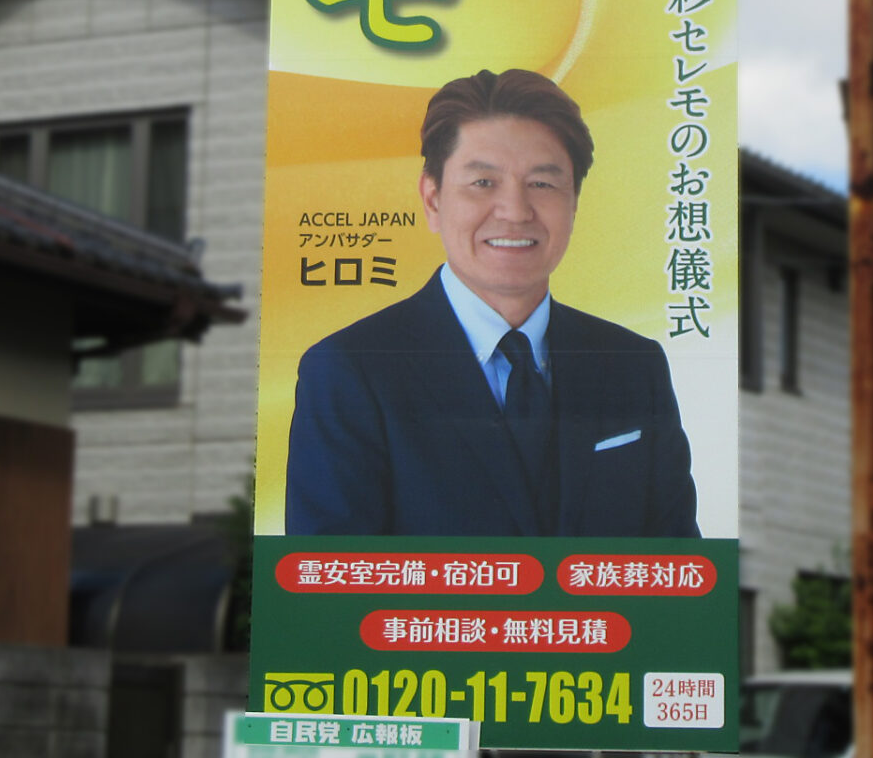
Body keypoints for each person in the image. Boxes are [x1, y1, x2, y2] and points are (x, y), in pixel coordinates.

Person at [285, 68, 699, 537]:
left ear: (575, 201)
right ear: (433, 198)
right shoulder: (348, 371)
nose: (515, 211)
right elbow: (328, 590)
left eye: (542, 184)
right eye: (483, 183)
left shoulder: (633, 366)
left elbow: (677, 577)